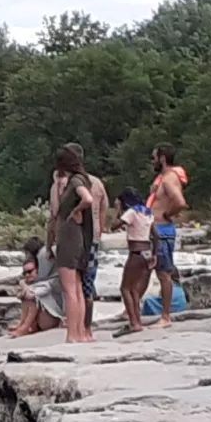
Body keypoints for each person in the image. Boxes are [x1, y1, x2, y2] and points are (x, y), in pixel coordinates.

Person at [50, 143, 108, 323]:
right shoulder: (95, 182)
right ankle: (86, 329)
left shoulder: (68, 182)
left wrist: (50, 239)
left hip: (70, 236)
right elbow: (104, 207)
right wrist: (100, 230)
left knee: (72, 286)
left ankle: (74, 329)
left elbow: (55, 212)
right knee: (86, 284)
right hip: (92, 237)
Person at [48, 145, 95, 344]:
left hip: (68, 236)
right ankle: (81, 333)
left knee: (70, 290)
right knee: (76, 288)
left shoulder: (75, 180)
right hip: (78, 237)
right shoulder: (83, 178)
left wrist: (75, 210)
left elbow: (87, 199)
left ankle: (73, 335)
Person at [148, 143, 188, 326]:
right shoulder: (164, 178)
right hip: (157, 229)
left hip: (162, 230)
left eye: (154, 157)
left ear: (162, 158)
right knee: (145, 269)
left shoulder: (168, 179)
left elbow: (180, 201)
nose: (152, 161)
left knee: (164, 273)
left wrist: (167, 214)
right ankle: (129, 312)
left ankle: (165, 317)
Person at [6, 237, 63, 337]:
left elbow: (40, 287)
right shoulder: (43, 279)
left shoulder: (50, 281)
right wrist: (24, 286)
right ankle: (23, 325)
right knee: (28, 297)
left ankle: (25, 328)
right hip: (44, 317)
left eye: (30, 272)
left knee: (32, 297)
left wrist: (26, 287)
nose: (27, 275)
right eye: (25, 273)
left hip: (52, 317)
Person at [116, 188, 154, 331]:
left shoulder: (131, 212)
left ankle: (134, 323)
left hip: (136, 252)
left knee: (125, 288)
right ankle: (138, 320)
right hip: (147, 252)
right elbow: (154, 234)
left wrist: (118, 211)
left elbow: (115, 226)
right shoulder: (147, 212)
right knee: (135, 290)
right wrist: (155, 254)